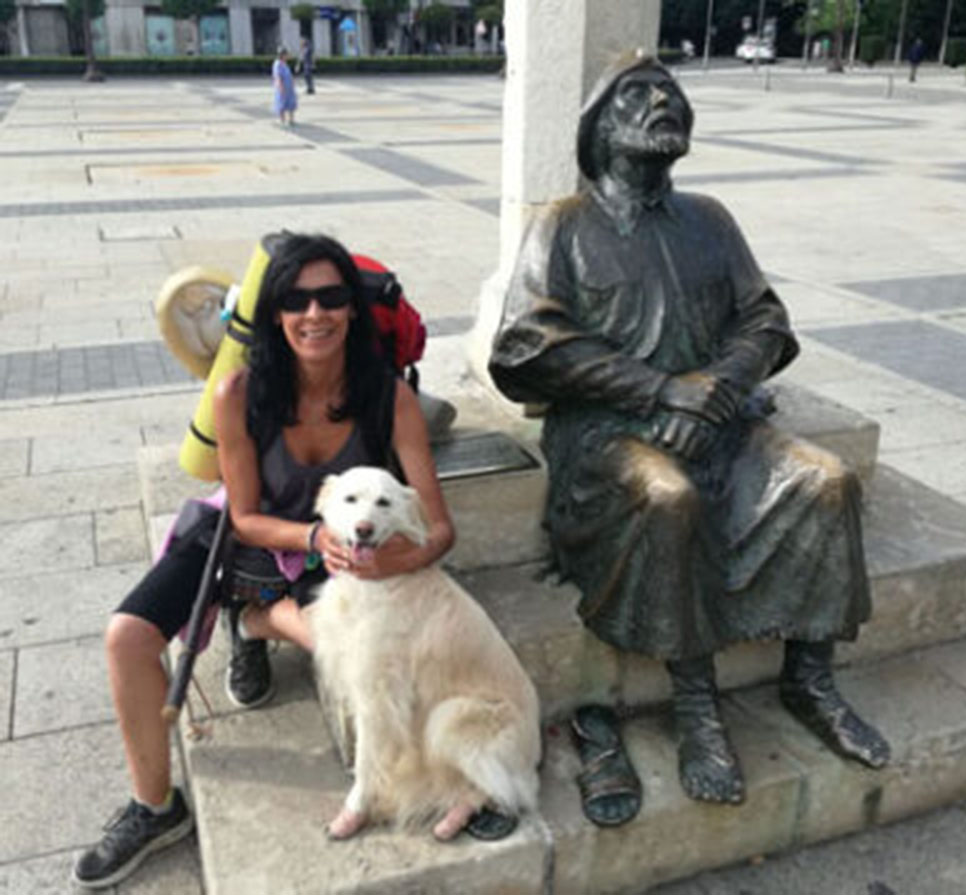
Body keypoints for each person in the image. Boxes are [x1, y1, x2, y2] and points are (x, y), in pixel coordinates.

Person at [489, 50, 890, 827]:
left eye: (671, 93)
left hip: (723, 422)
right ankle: (697, 704)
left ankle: (810, 676)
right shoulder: (562, 226)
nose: (663, 104)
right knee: (667, 497)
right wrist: (660, 389)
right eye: (637, 95)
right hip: (610, 435)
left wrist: (716, 391)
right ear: (600, 129)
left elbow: (765, 319)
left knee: (827, 479)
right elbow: (526, 344)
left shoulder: (710, 219)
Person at [72, 233, 455, 889]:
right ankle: (155, 806)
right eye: (296, 299)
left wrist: (394, 561)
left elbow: (441, 527)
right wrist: (311, 538)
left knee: (327, 636)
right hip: (255, 531)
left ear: (353, 310)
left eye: (331, 297)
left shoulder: (388, 397)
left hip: (346, 542)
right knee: (127, 635)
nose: (315, 314)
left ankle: (252, 624)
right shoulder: (238, 392)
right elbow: (244, 515)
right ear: (274, 313)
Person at [272, 46, 297, 126]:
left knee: (291, 103)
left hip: (288, 87)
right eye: (286, 54)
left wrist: (293, 83)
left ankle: (291, 120)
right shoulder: (278, 64)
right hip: (282, 87)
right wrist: (280, 87)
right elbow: (278, 76)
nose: (287, 56)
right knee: (281, 104)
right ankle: (282, 120)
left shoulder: (284, 63)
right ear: (282, 55)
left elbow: (289, 75)